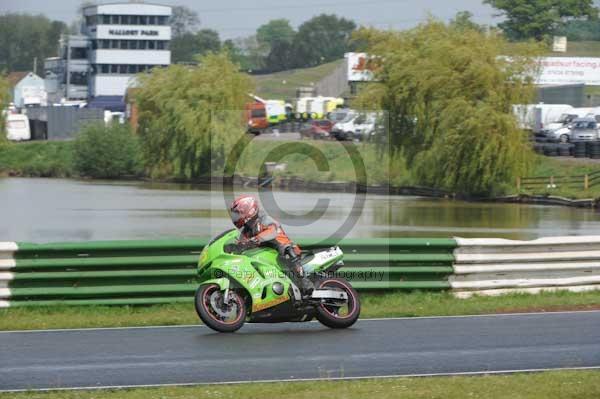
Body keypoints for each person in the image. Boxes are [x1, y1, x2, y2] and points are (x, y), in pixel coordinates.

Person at [228, 195, 313, 295]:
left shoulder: (263, 219)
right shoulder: (247, 230)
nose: (236, 217)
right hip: (270, 255)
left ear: (249, 210)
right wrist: (232, 247)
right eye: (235, 214)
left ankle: (304, 282)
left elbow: (272, 232)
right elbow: (241, 243)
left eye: (239, 213)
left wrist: (256, 239)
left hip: (284, 247)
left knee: (286, 252)